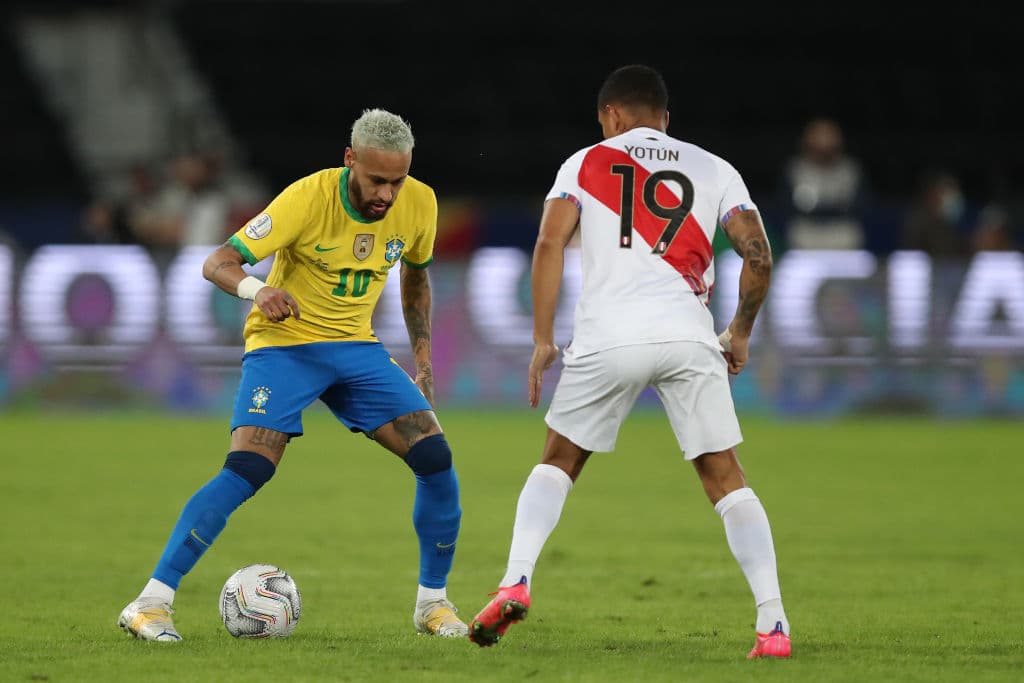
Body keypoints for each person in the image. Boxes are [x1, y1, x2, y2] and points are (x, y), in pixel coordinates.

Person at [468, 65, 791, 659]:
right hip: (689, 338)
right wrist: (739, 333)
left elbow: (547, 244)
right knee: (725, 477)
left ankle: (516, 579)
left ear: (610, 116)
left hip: (607, 338)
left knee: (559, 460)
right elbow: (760, 255)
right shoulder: (715, 168)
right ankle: (772, 625)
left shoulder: (584, 162)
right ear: (665, 118)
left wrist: (543, 338)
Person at [118, 108, 467, 641]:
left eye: (397, 180)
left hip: (356, 348)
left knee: (435, 457)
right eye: (377, 180)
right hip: (285, 345)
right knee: (248, 469)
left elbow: (415, 276)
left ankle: (433, 605)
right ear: (350, 160)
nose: (388, 195)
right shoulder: (306, 198)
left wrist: (423, 360)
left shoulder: (420, 201)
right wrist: (259, 290)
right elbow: (217, 262)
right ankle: (150, 603)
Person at [775, 116, 870, 250]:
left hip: (842, 233)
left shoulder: (850, 169)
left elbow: (861, 205)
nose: (824, 142)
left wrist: (821, 207)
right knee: (798, 234)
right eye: (817, 136)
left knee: (850, 236)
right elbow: (786, 205)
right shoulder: (795, 168)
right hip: (806, 233)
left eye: (829, 136)